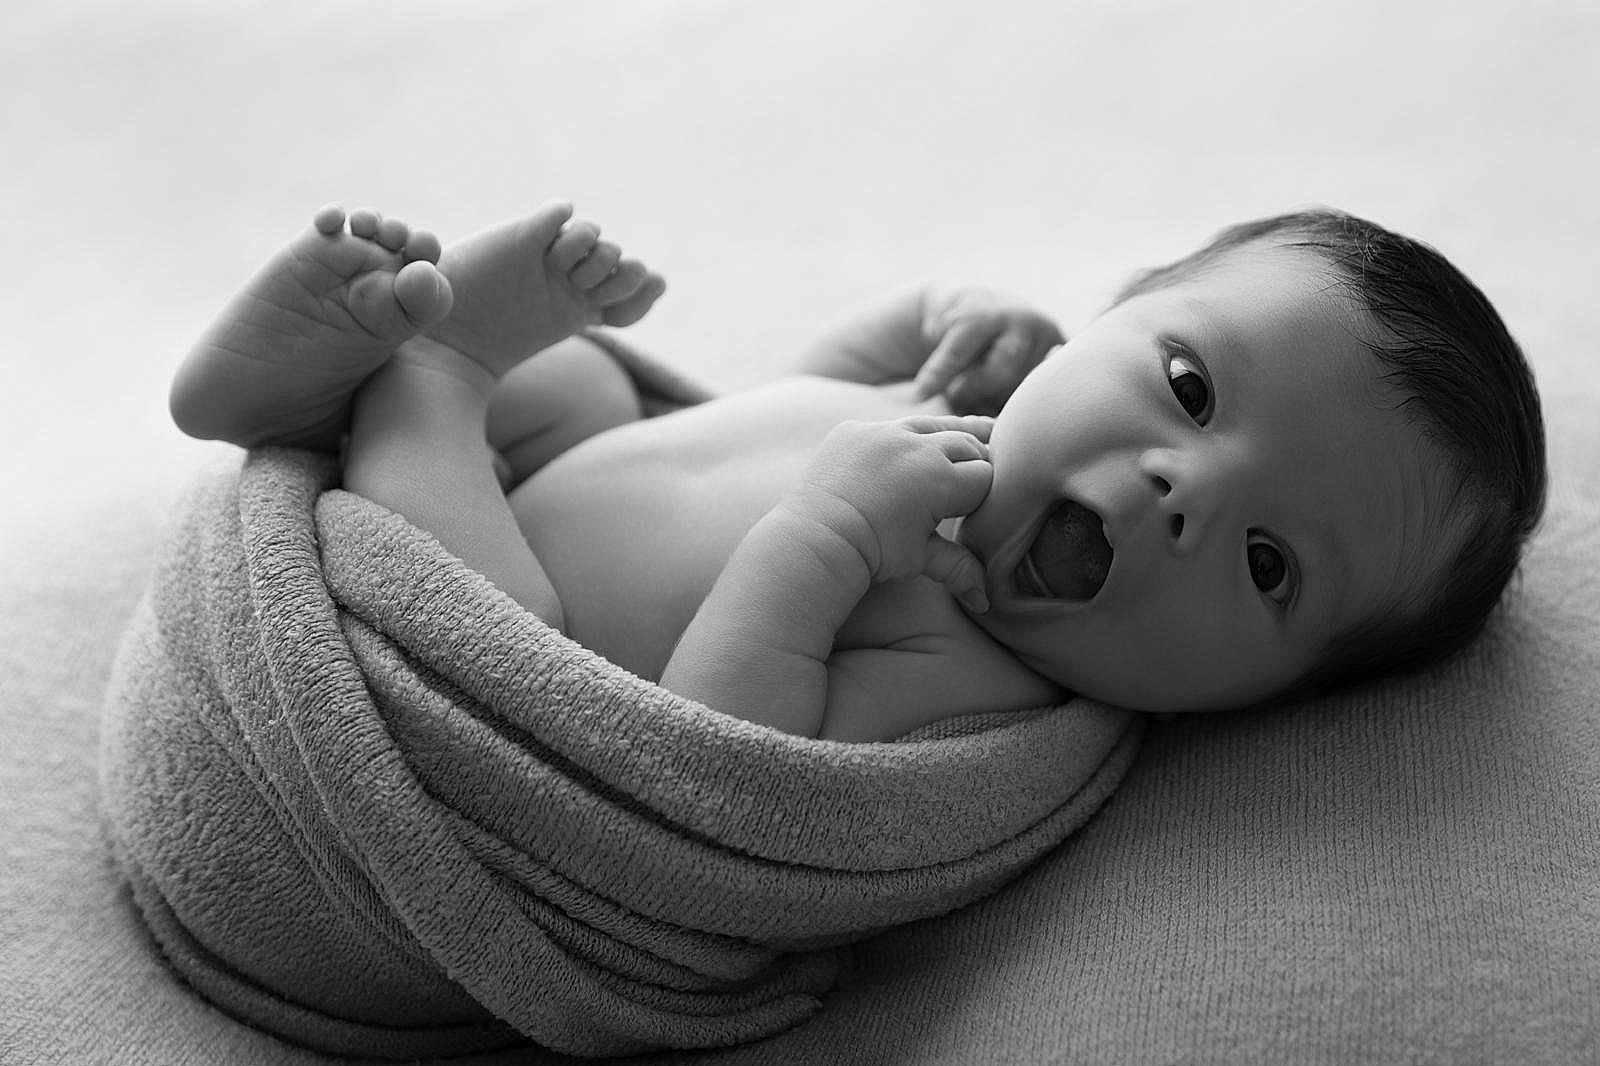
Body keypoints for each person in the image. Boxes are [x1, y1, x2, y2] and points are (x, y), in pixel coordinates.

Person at [168, 200, 1545, 742]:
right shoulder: (957, 428)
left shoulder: (983, 682)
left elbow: (716, 761)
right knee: (587, 381)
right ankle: (292, 400)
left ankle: (427, 375)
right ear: (1110, 307)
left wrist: (823, 539)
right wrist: (933, 324)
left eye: (1270, 563)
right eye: (1187, 385)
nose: (1187, 492)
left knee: (492, 596)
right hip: (545, 475)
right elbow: (786, 400)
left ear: (1269, 700)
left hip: (466, 677)